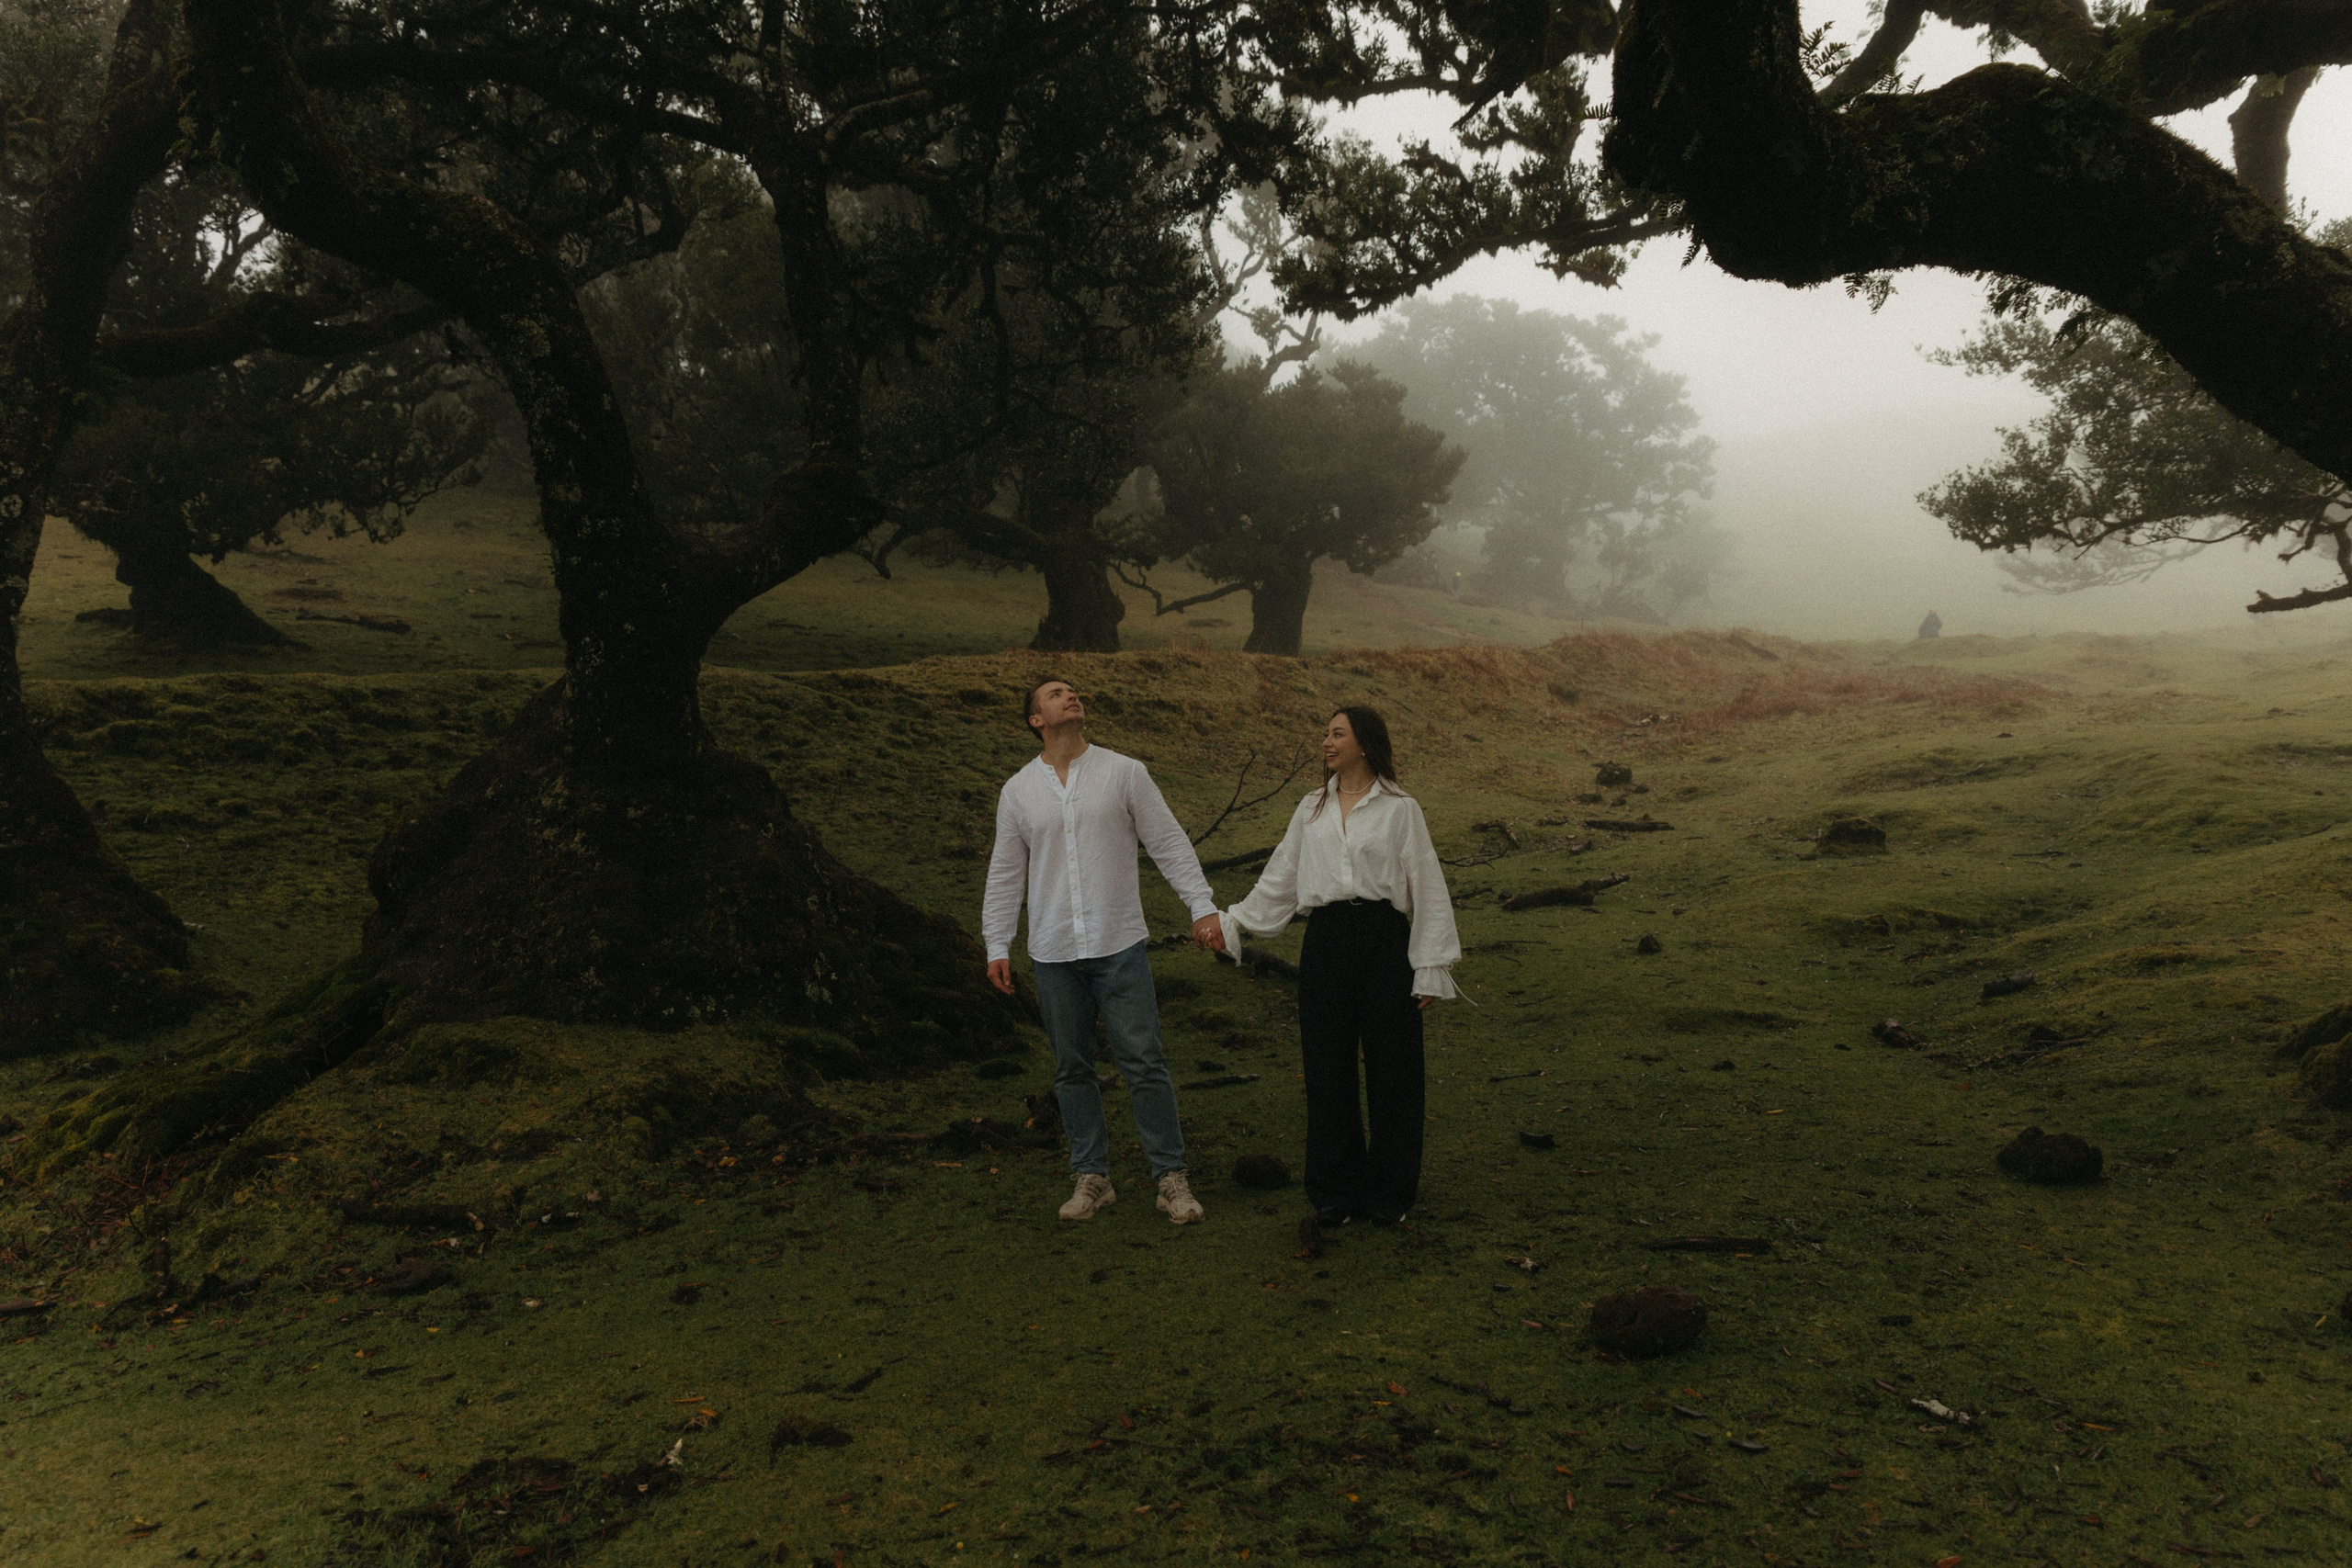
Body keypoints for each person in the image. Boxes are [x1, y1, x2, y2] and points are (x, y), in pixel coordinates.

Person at [983, 677, 1226, 1225]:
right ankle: (1091, 1175)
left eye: (1072, 690)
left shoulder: (1124, 772)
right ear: (1035, 720)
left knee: (1144, 1061)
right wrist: (998, 942)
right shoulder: (1018, 790)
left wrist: (1201, 905)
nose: (1070, 696)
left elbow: (1167, 840)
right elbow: (1004, 873)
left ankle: (1170, 1177)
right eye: (1054, 694)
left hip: (1119, 943)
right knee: (1071, 1068)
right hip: (1052, 950)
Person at [1210, 707, 1456, 1228]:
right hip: (1326, 942)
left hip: (1384, 939)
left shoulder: (1399, 808)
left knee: (1394, 1070)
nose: (1325, 742)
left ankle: (1390, 1194)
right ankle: (1335, 1193)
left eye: (1336, 734)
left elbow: (1427, 883)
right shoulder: (1311, 808)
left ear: (1364, 744)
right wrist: (1234, 923)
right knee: (1327, 1069)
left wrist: (1429, 964)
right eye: (1326, 733)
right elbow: (1282, 874)